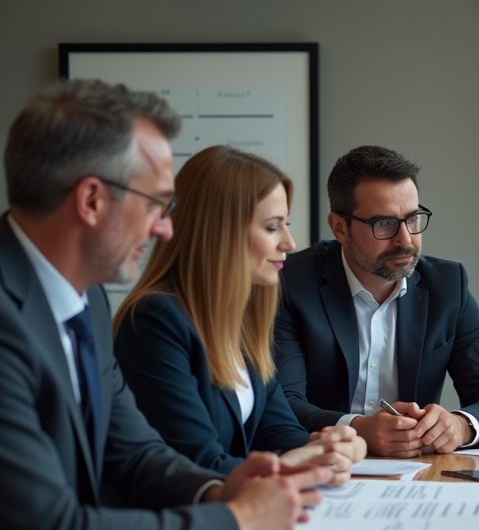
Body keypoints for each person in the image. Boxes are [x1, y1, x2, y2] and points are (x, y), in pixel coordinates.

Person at [0, 79, 330, 530]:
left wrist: (220, 489)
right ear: (93, 200)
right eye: (156, 204)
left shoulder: (84, 302)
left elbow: (135, 455)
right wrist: (234, 523)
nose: (165, 229)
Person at [113, 146, 366, 477]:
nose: (290, 243)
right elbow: (197, 463)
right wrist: (293, 467)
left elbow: (277, 431)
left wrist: (328, 449)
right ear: (221, 232)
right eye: (273, 227)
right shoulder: (155, 321)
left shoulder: (242, 321)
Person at [274, 145, 479, 458]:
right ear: (339, 227)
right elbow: (281, 403)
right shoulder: (291, 283)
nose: (405, 239)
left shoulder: (448, 285)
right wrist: (356, 428)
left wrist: (460, 425)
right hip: (322, 467)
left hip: (418, 475)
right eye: (384, 224)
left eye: (413, 219)